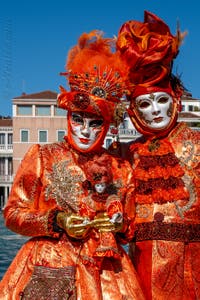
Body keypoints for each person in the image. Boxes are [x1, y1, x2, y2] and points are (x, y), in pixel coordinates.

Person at [0, 30, 145, 299]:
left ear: (106, 126)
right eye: (78, 119)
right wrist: (58, 221)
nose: (85, 131)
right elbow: (13, 214)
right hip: (50, 264)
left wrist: (118, 224)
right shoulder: (43, 156)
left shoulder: (121, 168)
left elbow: (131, 228)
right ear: (69, 117)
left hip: (108, 274)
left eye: (95, 123)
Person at [113, 11, 200, 300]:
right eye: (145, 103)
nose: (155, 110)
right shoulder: (126, 154)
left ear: (175, 100)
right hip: (141, 273)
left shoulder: (197, 144)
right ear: (133, 111)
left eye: (161, 100)